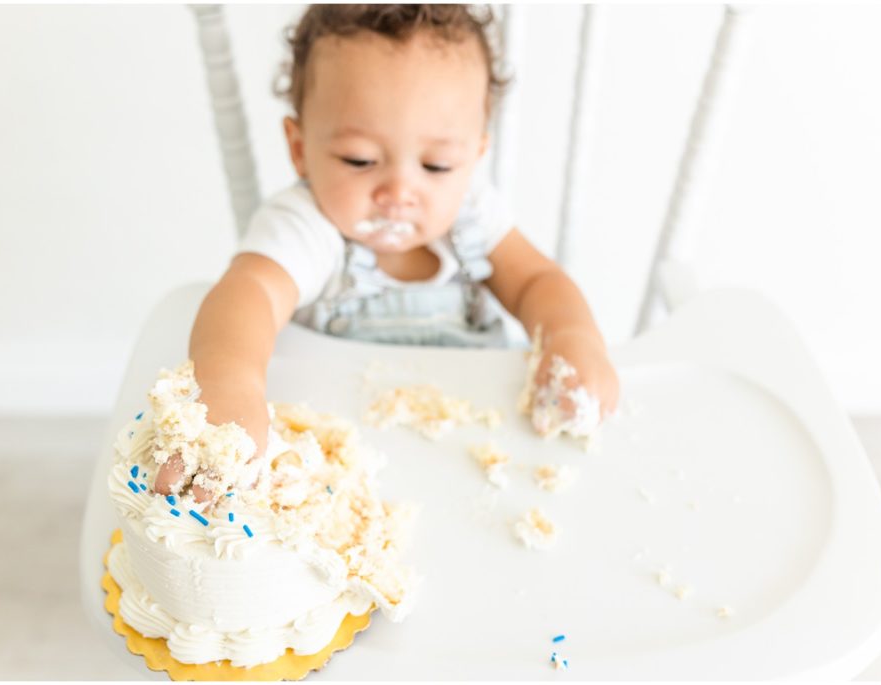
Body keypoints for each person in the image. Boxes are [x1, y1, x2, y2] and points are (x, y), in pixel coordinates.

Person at [155, 4, 619, 496]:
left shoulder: (473, 214)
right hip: (343, 466)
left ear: (473, 158)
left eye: (437, 165)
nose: (400, 190)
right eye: (361, 159)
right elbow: (250, 294)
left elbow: (535, 282)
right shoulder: (307, 225)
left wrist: (573, 335)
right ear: (299, 148)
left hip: (481, 452)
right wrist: (229, 382)